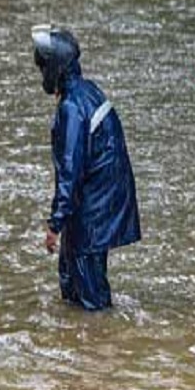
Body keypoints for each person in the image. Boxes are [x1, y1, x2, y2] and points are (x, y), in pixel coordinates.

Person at [31, 25, 141, 311]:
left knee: (90, 294)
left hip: (93, 210)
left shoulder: (72, 107)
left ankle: (100, 343)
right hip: (98, 203)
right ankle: (82, 342)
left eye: (43, 67)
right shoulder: (87, 90)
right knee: (71, 280)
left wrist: (55, 224)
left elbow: (70, 170)